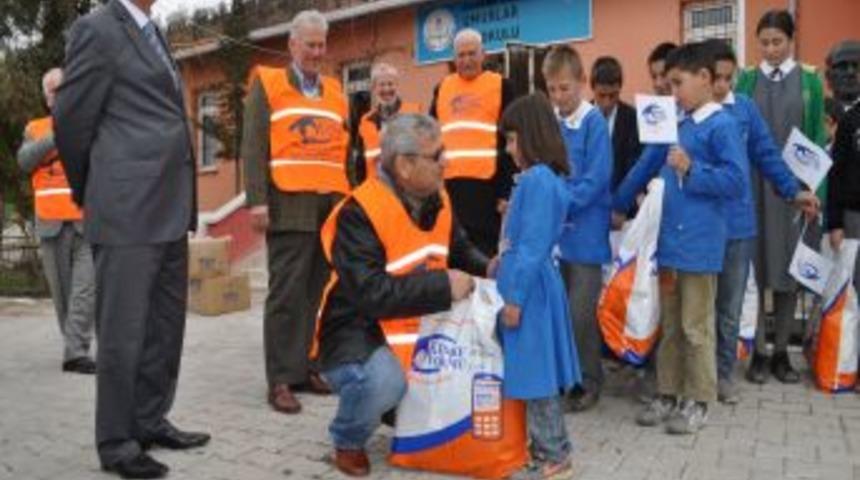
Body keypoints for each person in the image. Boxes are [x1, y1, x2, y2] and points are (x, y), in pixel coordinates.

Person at [54, 0, 209, 478]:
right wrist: (95, 188)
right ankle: (117, 442)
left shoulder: (152, 30)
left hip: (168, 205)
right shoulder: (97, 29)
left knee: (164, 328)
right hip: (125, 209)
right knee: (123, 333)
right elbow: (71, 122)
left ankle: (149, 419)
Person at [311, 114, 489, 477]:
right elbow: (372, 294)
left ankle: (399, 410)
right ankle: (347, 438)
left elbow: (460, 250)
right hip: (354, 330)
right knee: (384, 382)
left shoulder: (438, 196)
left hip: (414, 326)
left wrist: (489, 268)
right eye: (437, 155)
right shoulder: (359, 211)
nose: (446, 162)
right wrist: (442, 286)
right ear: (405, 165)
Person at [614, 42, 745, 434]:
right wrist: (620, 201)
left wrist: (693, 170)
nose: (672, 92)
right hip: (669, 246)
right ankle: (668, 393)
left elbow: (736, 181)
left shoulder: (721, 125)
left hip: (701, 247)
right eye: (669, 85)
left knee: (695, 326)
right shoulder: (678, 122)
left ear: (705, 79)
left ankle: (699, 400)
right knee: (669, 326)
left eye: (677, 83)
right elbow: (649, 163)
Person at [242, 9, 350, 415]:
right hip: (288, 205)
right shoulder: (267, 85)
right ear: (292, 45)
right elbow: (253, 147)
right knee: (286, 293)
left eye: (322, 44)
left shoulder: (336, 90)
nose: (317, 52)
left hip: (330, 207)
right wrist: (257, 201)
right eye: (310, 44)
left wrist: (349, 202)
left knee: (316, 292)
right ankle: (281, 380)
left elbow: (344, 150)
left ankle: (308, 366)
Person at [706, 39, 819, 404]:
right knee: (699, 309)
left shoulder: (745, 109)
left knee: (729, 309)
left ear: (735, 76)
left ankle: (723, 375)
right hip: (701, 227)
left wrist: (792, 191)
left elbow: (767, 154)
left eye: (728, 77)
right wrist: (624, 198)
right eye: (715, 78)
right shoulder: (690, 111)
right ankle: (699, 374)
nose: (721, 85)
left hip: (738, 226)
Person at [735, 9, 828, 385]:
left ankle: (781, 355)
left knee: (790, 269)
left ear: (791, 41)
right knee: (757, 270)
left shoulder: (809, 81)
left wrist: (813, 193)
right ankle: (758, 350)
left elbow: (818, 140)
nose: (771, 49)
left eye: (778, 42)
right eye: (765, 42)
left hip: (793, 191)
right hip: (755, 188)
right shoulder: (745, 79)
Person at [496, 92, 579, 479]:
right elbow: (522, 238)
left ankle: (552, 453)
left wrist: (514, 297)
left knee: (536, 375)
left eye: (512, 139)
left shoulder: (540, 181)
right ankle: (544, 447)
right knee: (532, 371)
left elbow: (532, 246)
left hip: (530, 293)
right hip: (528, 286)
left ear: (529, 136)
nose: (509, 148)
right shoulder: (535, 179)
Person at [542, 45, 612, 412]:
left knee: (580, 312)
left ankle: (590, 380)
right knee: (562, 312)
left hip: (586, 234)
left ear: (582, 82)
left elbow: (597, 178)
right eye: (552, 89)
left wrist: (560, 198)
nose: (558, 97)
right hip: (558, 236)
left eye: (565, 88)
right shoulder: (552, 121)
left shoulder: (594, 123)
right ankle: (567, 378)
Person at [16, 68, 96, 375]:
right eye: (52, 91)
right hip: (51, 223)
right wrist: (57, 136)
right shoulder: (35, 128)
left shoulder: (89, 125)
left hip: (87, 221)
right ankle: (73, 346)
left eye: (62, 89)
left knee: (85, 289)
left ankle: (76, 352)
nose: (57, 95)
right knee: (63, 293)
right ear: (46, 99)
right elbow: (25, 160)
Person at [429, 28, 517, 256]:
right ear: (454, 58)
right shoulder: (442, 89)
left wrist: (506, 191)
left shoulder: (501, 86)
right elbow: (430, 139)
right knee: (452, 255)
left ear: (483, 55)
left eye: (472, 53)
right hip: (450, 191)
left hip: (487, 193)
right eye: (461, 55)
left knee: (484, 259)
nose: (466, 60)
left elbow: (512, 142)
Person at [356, 62, 421, 183]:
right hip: (377, 189)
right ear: (374, 88)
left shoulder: (413, 113)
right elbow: (360, 163)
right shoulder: (366, 121)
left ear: (397, 85)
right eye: (381, 85)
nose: (386, 89)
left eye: (390, 84)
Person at [827, 67, 860, 294]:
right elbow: (836, 174)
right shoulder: (850, 121)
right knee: (855, 287)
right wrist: (835, 223)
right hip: (855, 217)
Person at [591, 56, 642, 192]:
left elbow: (633, 166)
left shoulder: (633, 118)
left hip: (621, 202)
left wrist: (622, 203)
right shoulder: (581, 117)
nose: (607, 102)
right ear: (592, 88)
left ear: (620, 88)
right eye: (601, 95)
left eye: (613, 95)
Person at [825, 40, 860, 111]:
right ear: (828, 76)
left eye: (856, 66)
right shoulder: (815, 113)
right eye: (842, 66)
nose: (851, 72)